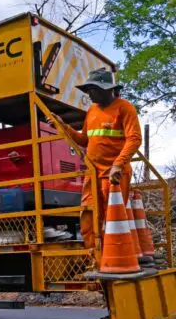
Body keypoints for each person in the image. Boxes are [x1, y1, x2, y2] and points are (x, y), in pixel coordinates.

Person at [49, 68, 142, 250]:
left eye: (92, 89)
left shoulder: (125, 108)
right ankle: (94, 257)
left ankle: (114, 259)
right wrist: (63, 126)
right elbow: (84, 139)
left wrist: (118, 164)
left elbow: (135, 138)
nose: (89, 94)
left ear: (106, 89)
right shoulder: (91, 111)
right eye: (88, 89)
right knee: (88, 215)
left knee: (112, 217)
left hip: (114, 174)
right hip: (92, 173)